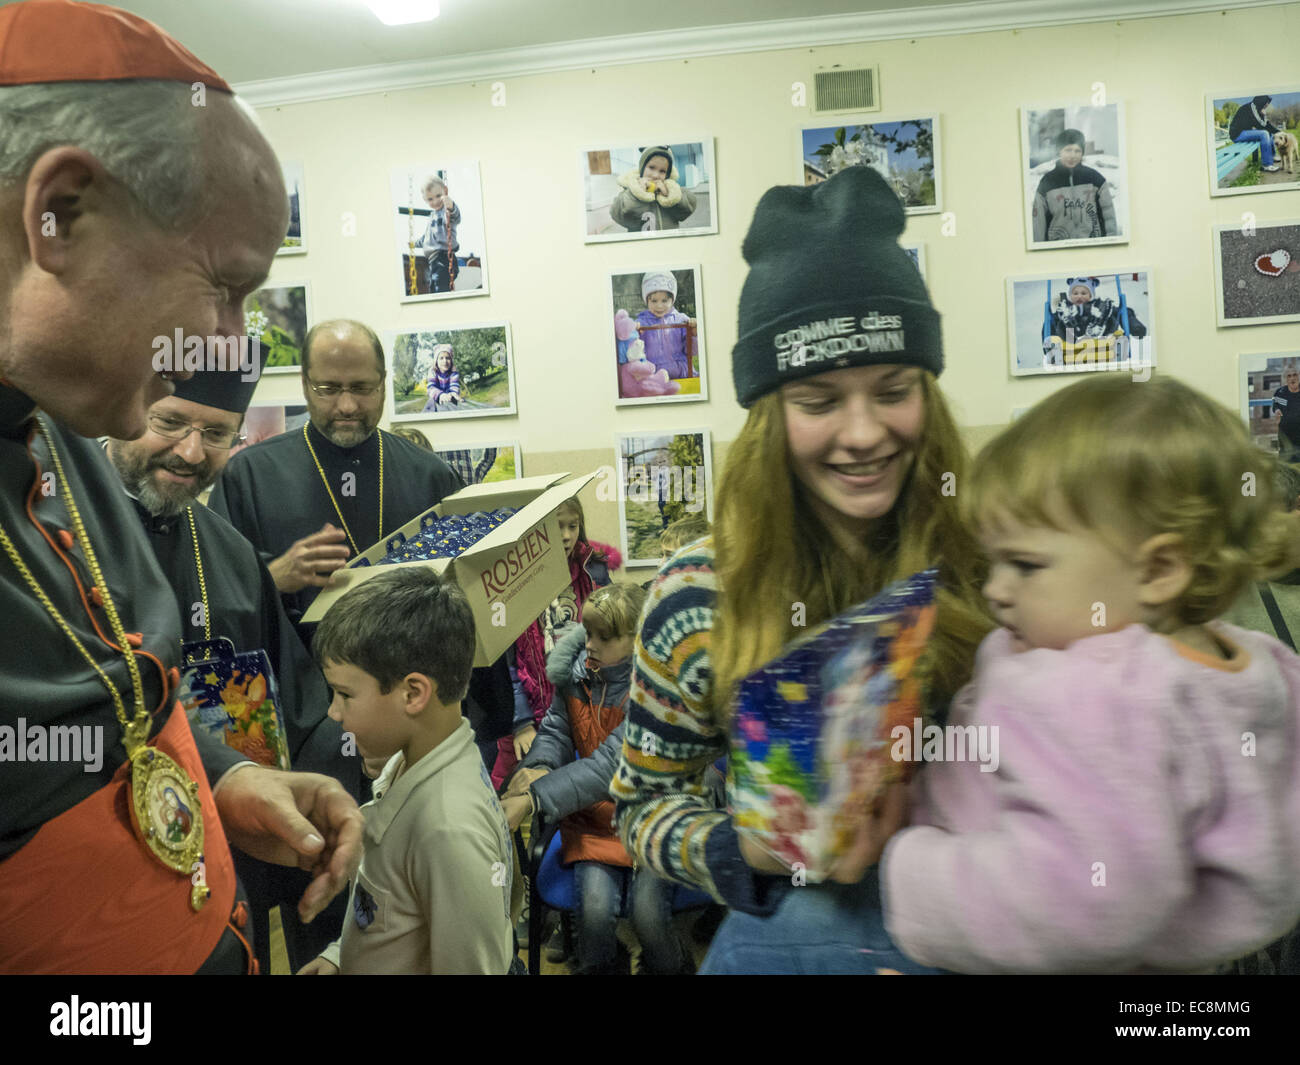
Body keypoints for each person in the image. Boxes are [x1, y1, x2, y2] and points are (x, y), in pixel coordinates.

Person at [0, 0, 361, 974]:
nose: (233, 345)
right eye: (225, 287)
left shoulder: (62, 419)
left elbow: (114, 709)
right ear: (58, 213)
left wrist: (225, 777)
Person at [611, 164, 994, 975]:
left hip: (997, 929)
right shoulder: (694, 595)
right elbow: (641, 805)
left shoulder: (999, 557)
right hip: (803, 938)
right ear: (768, 417)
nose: (863, 433)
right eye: (818, 401)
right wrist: (744, 844)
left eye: (892, 389)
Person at [864, 374, 1300, 974]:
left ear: (1158, 570)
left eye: (1025, 564)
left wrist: (909, 868)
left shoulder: (1094, 693)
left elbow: (1085, 905)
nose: (995, 589)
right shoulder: (1260, 664)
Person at [105, 359, 364, 974]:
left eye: (217, 434)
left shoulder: (228, 550)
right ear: (124, 409)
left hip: (230, 843)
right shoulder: (56, 527)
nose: (191, 452)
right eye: (169, 422)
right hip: (100, 867)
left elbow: (298, 705)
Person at [207, 318, 514, 760]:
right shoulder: (250, 476)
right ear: (305, 384)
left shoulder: (430, 476)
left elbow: (470, 606)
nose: (347, 405)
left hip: (416, 723)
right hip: (304, 726)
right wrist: (272, 577)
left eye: (362, 388)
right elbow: (211, 600)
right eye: (328, 389)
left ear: (385, 384)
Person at [299, 568, 516, 974]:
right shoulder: (405, 762)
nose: (333, 712)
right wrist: (339, 958)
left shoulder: (448, 830)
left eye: (345, 694)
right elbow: (392, 911)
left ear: (413, 693)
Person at [503, 584, 694, 975]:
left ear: (638, 638)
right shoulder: (576, 677)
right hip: (597, 818)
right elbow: (558, 731)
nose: (589, 645)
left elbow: (612, 763)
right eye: (587, 633)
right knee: (593, 908)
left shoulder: (657, 691)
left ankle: (672, 967)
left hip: (655, 817)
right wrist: (538, 765)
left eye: (603, 638)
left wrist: (535, 798)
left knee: (648, 915)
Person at [495, 496, 621, 788]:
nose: (566, 535)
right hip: (535, 713)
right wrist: (521, 722)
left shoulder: (594, 572)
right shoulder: (515, 580)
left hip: (587, 705)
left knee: (583, 790)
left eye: (573, 526)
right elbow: (507, 660)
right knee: (526, 788)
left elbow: (613, 637)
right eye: (556, 526)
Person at [1031, 128, 1119, 242]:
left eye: (1077, 151)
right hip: (1058, 249)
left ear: (1082, 153)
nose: (1073, 155)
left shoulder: (1096, 180)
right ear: (1059, 151)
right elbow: (1038, 223)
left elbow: (1109, 216)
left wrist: (1110, 243)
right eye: (1068, 150)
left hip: (1092, 247)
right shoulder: (1047, 182)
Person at [1044, 276, 1147, 364]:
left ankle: (1099, 327)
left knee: (1112, 318)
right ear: (1070, 296)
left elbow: (1125, 313)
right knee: (1059, 322)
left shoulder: (1100, 306)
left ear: (1091, 295)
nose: (1079, 296)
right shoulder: (1064, 309)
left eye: (1084, 293)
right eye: (1075, 293)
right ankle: (1070, 329)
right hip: (1072, 343)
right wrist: (1049, 346)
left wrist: (1135, 327)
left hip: (1100, 341)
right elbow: (1050, 323)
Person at [609, 146, 697, 233]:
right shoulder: (631, 189)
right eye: (651, 167)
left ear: (667, 174)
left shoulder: (672, 190)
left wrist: (669, 195)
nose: (655, 175)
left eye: (662, 171)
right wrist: (637, 194)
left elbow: (686, 210)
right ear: (642, 168)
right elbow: (618, 215)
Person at [635, 271, 693, 380]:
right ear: (647, 301)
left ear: (672, 300)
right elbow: (635, 347)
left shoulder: (681, 320)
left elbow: (692, 349)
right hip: (653, 372)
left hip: (680, 370)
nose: (659, 305)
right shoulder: (642, 321)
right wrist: (634, 330)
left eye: (664, 300)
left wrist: (693, 332)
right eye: (654, 301)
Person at [420, 176, 460, 293]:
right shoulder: (432, 216)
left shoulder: (446, 211)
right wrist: (415, 243)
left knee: (440, 287)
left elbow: (456, 217)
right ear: (425, 200)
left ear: (445, 191)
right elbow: (426, 238)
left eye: (438, 196)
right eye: (430, 199)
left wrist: (451, 206)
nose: (436, 201)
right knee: (433, 287)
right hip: (433, 262)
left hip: (445, 258)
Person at [1229, 94, 1283, 174]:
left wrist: (1279, 132)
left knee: (1267, 132)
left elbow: (1266, 125)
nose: (1266, 106)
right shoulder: (1252, 108)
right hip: (1237, 134)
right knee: (1264, 134)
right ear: (1261, 102)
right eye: (1266, 104)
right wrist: (1264, 115)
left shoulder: (1256, 108)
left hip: (1244, 132)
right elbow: (1262, 125)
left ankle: (1272, 156)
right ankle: (1267, 165)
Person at [1272, 365, 1300, 461]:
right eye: (1289, 376)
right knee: (1286, 466)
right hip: (1285, 437)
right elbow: (1275, 406)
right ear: (1285, 379)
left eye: (1294, 374)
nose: (1292, 378)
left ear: (1299, 376)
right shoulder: (1279, 392)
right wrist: (1276, 411)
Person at [422, 344, 461, 411]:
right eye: (441, 358)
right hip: (435, 397)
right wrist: (441, 395)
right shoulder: (433, 372)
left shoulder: (453, 372)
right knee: (430, 407)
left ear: (451, 361)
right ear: (436, 361)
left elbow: (454, 385)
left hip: (448, 397)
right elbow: (431, 388)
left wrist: (453, 393)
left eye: (448, 358)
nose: (445, 361)